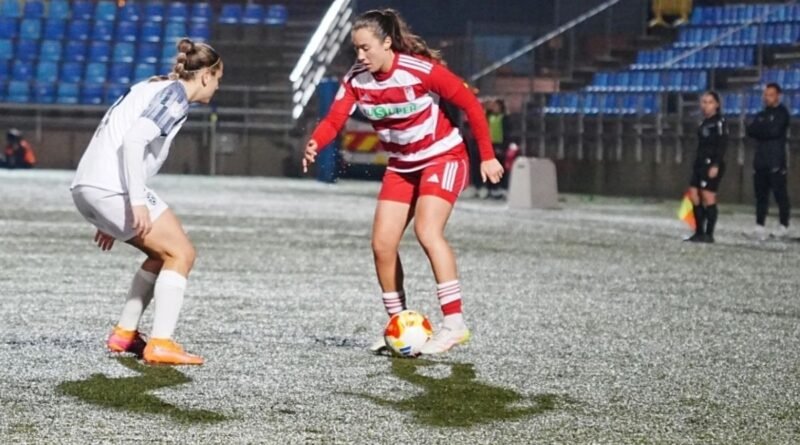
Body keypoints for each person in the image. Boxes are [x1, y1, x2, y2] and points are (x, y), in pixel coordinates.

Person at [302, 9, 504, 355]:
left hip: (443, 156)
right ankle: (399, 325)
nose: (360, 56)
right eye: (356, 50)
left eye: (366, 48)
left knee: (428, 232)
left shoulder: (419, 71)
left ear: (386, 42)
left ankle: (454, 324)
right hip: (402, 166)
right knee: (382, 245)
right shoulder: (355, 79)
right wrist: (316, 142)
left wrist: (486, 154)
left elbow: (470, 102)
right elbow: (334, 118)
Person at [70, 38, 223, 365]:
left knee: (161, 254)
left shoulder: (155, 86)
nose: (217, 87)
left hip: (87, 186)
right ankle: (161, 343)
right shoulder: (175, 97)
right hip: (112, 187)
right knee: (182, 253)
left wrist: (111, 214)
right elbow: (135, 141)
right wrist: (135, 201)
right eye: (219, 79)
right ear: (207, 76)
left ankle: (125, 334)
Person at [746, 83, 791, 241]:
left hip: (776, 160)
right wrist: (763, 129)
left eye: (770, 94)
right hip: (761, 160)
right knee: (760, 196)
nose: (767, 97)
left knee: (780, 194)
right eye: (765, 94)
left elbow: (774, 131)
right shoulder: (762, 114)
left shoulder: (782, 113)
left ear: (778, 95)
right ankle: (759, 226)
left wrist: (762, 129)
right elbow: (750, 130)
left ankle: (783, 225)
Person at [685, 91, 727, 243]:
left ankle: (709, 234)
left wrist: (715, 164)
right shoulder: (703, 122)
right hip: (700, 163)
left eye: (709, 102)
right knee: (694, 194)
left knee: (708, 195)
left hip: (711, 163)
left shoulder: (719, 122)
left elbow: (722, 145)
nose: (706, 105)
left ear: (716, 104)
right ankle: (699, 231)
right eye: (704, 102)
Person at [485, 98, 511, 198]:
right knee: (489, 167)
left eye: (496, 106)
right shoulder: (489, 116)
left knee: (500, 167)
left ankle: (500, 187)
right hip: (490, 145)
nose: (494, 108)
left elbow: (507, 132)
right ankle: (490, 188)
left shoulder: (503, 117)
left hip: (500, 144)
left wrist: (504, 146)